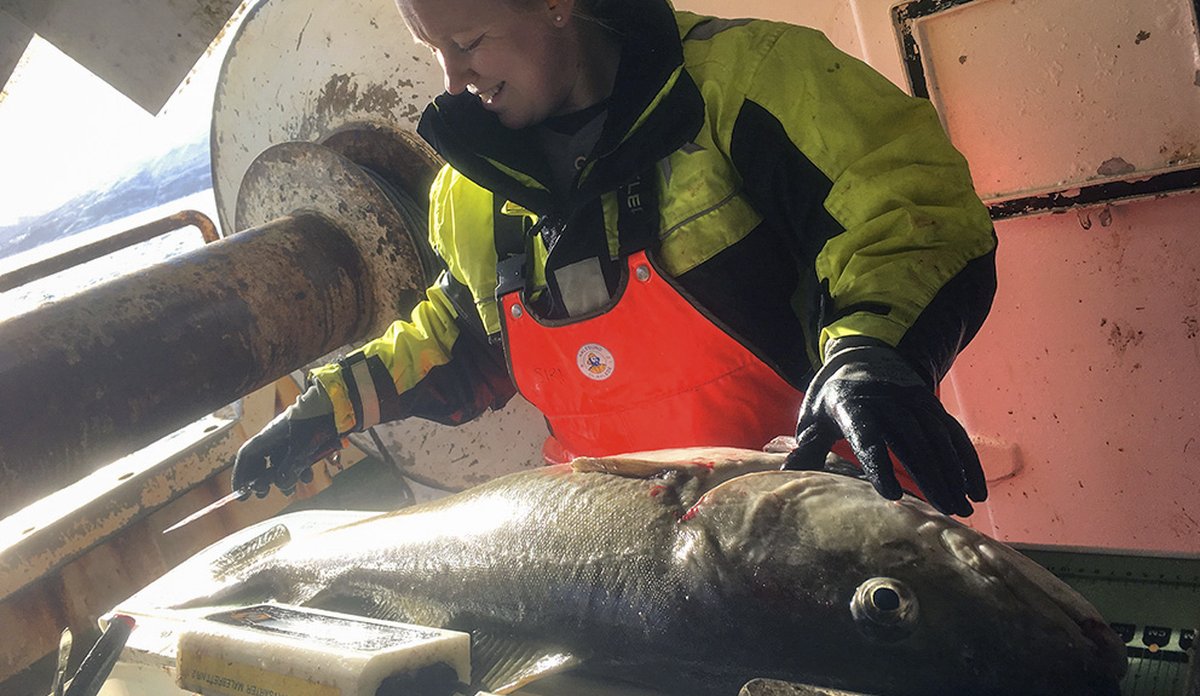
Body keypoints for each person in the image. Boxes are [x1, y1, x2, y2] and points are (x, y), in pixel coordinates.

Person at [231, 0, 998, 516]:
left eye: (466, 44)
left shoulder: (748, 83)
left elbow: (904, 210)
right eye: (432, 51)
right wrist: (330, 406)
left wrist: (866, 354)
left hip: (820, 515)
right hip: (622, 546)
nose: (452, 83)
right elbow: (461, 335)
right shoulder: (467, 193)